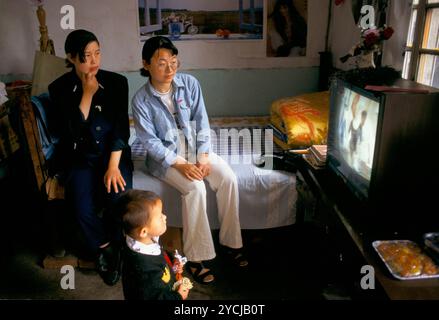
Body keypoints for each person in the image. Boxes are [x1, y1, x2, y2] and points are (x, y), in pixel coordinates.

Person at [131, 36, 248, 284]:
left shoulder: (190, 84)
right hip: (166, 160)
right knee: (195, 188)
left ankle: (231, 243)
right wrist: (180, 164)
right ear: (146, 64)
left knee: (228, 178)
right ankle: (196, 258)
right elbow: (150, 143)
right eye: (162, 63)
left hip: (196, 150)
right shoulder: (141, 100)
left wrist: (204, 156)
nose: (170, 69)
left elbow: (202, 121)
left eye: (174, 62)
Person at [48, 29, 133, 286]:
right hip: (80, 158)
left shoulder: (117, 82)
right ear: (72, 57)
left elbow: (121, 128)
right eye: (86, 56)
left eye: (98, 53)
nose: (94, 61)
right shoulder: (59, 88)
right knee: (81, 205)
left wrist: (113, 166)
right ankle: (105, 247)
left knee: (118, 196)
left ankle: (120, 246)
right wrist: (87, 93)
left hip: (113, 155)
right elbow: (69, 132)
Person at [118, 189, 191, 300]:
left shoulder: (143, 240)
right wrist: (178, 296)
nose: (165, 217)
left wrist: (172, 262)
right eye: (160, 217)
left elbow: (159, 256)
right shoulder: (144, 271)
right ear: (143, 231)